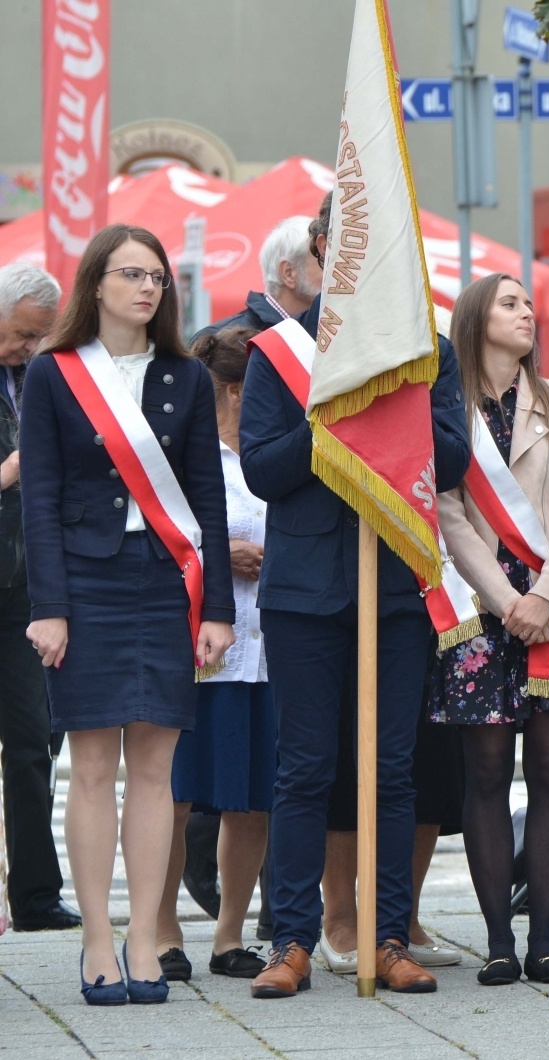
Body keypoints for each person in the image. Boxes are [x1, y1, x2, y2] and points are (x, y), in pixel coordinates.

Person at [239, 228, 470, 999]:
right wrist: (336, 416)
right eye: (343, 250)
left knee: (392, 770)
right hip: (304, 590)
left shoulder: (427, 349)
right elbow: (264, 469)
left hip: (397, 587)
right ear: (320, 256)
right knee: (304, 768)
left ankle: (389, 935)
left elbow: (453, 455)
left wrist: (389, 408)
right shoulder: (278, 353)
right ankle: (293, 939)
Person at [21, 224, 235, 1003]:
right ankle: (98, 940)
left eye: (158, 278)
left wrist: (217, 607)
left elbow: (207, 497)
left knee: (156, 771)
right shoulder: (54, 375)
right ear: (96, 284)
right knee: (92, 771)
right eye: (132, 275)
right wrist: (50, 608)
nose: (148, 289)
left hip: (164, 583)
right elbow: (38, 499)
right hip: (83, 586)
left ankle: (147, 936)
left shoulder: (185, 373)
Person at [430, 273, 549, 986]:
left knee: (548, 776)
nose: (527, 311)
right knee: (484, 775)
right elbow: (447, 512)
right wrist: (509, 599)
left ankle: (543, 940)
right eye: (510, 303)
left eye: (529, 303)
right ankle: (499, 940)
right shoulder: (446, 407)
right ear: (475, 319)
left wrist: (546, 594)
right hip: (484, 610)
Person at [153, 326, 273, 983]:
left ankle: (230, 933)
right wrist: (220, 556)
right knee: (174, 795)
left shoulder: (270, 454)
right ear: (234, 390)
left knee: (251, 798)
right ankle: (163, 927)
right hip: (201, 645)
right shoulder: (186, 455)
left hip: (267, 648)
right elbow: (159, 535)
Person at [0, 263, 80, 934]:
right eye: (23, 333)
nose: (28, 348)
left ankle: (34, 893)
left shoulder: (41, 378)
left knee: (34, 742)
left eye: (37, 337)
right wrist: (13, 469)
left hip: (28, 585)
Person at [199, 215, 320, 336]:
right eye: (323, 261)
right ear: (288, 273)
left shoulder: (325, 334)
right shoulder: (220, 340)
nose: (334, 273)